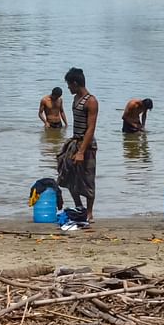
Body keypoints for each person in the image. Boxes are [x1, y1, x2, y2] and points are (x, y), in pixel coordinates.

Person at [57, 67, 98, 222]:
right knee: (68, 176)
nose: (68, 88)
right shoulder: (76, 99)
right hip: (75, 141)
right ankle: (79, 207)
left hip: (87, 145)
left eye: (69, 85)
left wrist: (81, 151)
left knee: (88, 179)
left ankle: (89, 213)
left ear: (75, 83)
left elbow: (91, 128)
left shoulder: (91, 101)